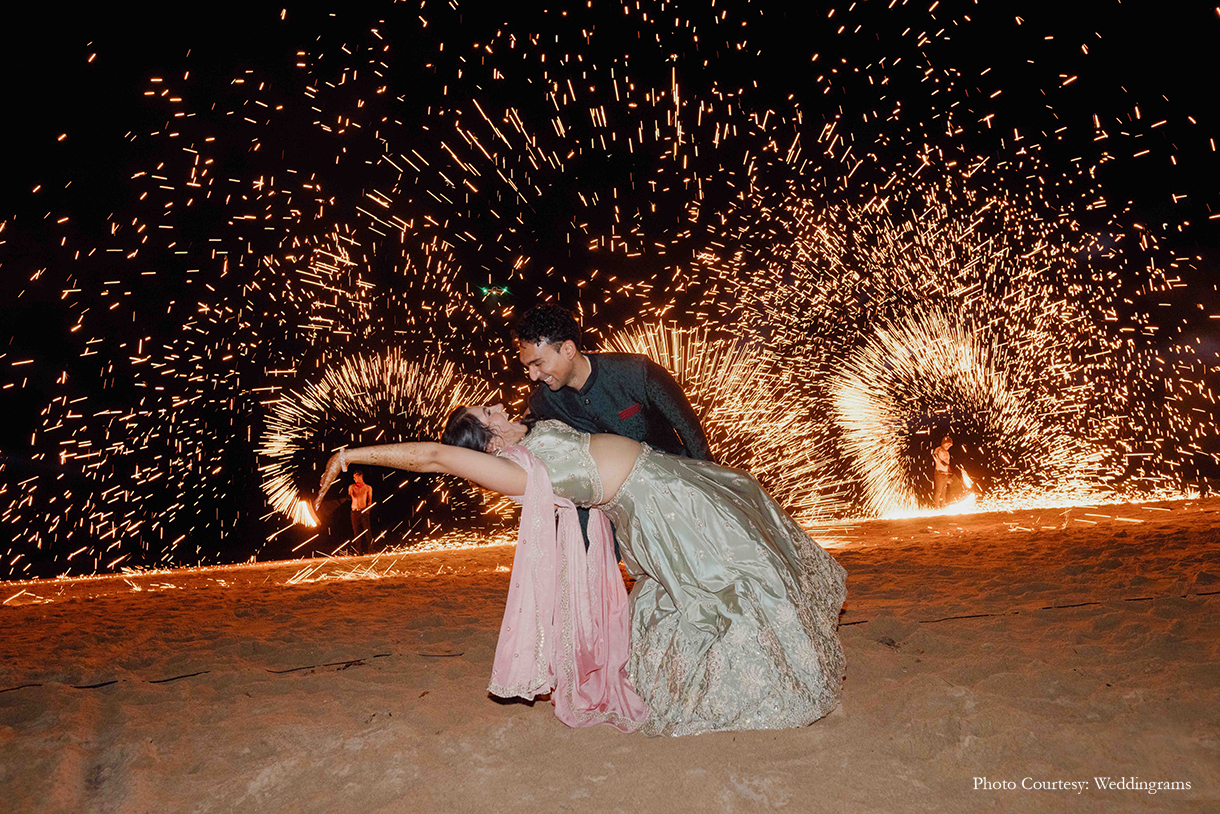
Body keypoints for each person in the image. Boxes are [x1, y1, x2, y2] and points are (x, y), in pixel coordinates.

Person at [316, 404, 847, 737]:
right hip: (658, 504)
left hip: (666, 478)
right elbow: (434, 455)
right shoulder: (509, 470)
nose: (499, 407)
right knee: (727, 581)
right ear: (490, 444)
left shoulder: (525, 438)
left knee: (749, 535)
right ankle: (770, 678)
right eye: (489, 416)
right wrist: (351, 455)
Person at [514, 305, 715, 549]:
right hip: (607, 508)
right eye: (528, 367)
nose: (533, 375)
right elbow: (521, 433)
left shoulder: (635, 372)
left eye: (538, 363)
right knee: (572, 548)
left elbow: (690, 432)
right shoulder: (543, 401)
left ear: (568, 349)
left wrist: (710, 493)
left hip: (671, 491)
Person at [347, 470, 373, 554]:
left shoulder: (368, 487)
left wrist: (367, 511)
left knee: (367, 531)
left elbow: (369, 501)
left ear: (360, 476)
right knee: (356, 532)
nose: (354, 479)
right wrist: (350, 495)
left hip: (363, 511)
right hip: (354, 512)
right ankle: (359, 551)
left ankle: (371, 549)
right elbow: (350, 495)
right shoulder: (351, 486)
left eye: (355, 477)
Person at [932, 435, 952, 509]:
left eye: (950, 445)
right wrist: (941, 461)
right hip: (939, 473)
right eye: (947, 444)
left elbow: (947, 464)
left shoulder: (947, 453)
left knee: (944, 492)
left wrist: (949, 474)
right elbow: (935, 455)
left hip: (945, 474)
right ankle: (936, 507)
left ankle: (942, 507)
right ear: (943, 443)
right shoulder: (939, 449)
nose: (948, 446)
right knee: (939, 491)